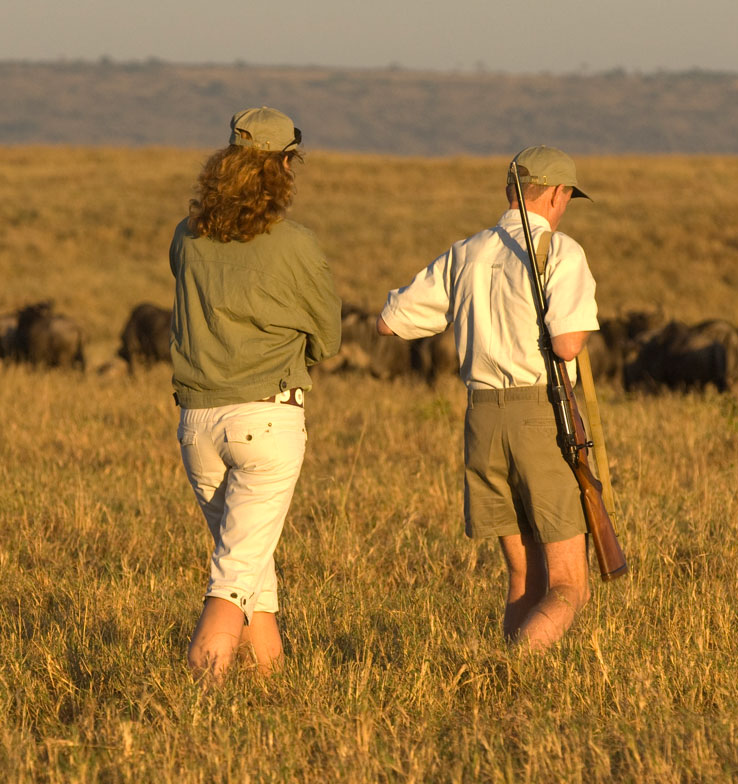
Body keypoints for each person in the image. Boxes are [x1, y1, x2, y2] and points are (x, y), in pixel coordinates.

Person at [376, 146, 599, 649]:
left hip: (482, 421)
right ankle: (515, 668)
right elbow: (567, 343)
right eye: (567, 197)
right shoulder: (562, 252)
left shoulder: (467, 253)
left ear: (510, 192)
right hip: (542, 415)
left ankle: (511, 682)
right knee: (568, 586)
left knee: (524, 580)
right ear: (560, 195)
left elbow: (390, 322)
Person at [170, 107, 341, 679]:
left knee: (251, 573)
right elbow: (329, 337)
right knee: (231, 583)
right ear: (286, 166)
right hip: (266, 421)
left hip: (197, 424)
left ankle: (272, 694)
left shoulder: (186, 238)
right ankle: (200, 706)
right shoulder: (296, 244)